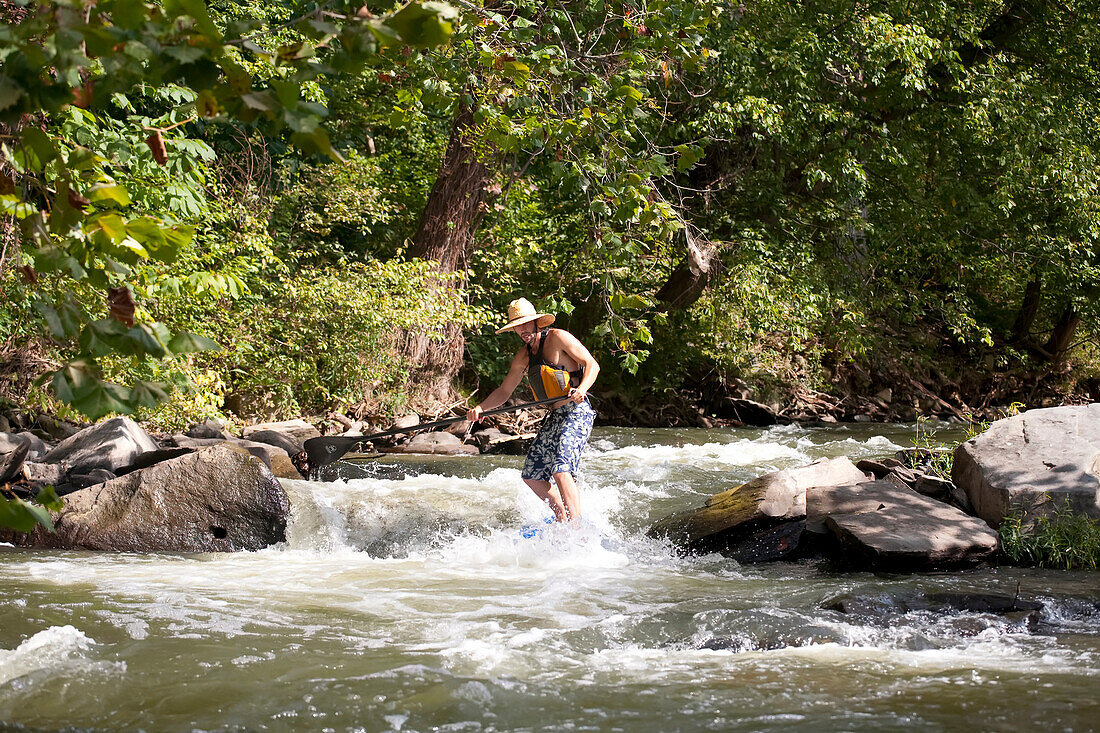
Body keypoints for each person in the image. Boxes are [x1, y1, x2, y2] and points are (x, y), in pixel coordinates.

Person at [467, 298, 599, 522]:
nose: (522, 329)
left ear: (537, 322)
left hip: (576, 412)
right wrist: (480, 407)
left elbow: (592, 364)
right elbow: (504, 391)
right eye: (518, 326)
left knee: (560, 469)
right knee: (532, 475)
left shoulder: (558, 338)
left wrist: (582, 389)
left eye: (526, 324)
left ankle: (577, 529)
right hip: (555, 416)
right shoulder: (523, 356)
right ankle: (562, 518)